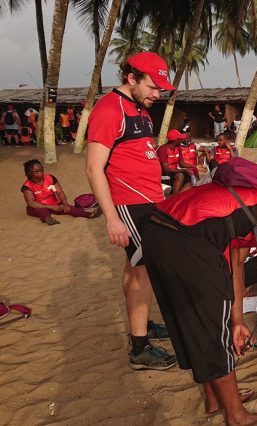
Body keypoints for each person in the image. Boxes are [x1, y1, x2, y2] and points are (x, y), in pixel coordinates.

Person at [142, 181, 257, 423]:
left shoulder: (251, 202)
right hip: (186, 241)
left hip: (156, 233)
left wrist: (238, 320)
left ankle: (214, 398)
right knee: (213, 329)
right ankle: (236, 415)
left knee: (191, 320)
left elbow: (237, 267)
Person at [85, 51, 177, 371]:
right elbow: (94, 168)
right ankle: (140, 348)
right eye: (153, 87)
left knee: (134, 267)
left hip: (149, 200)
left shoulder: (140, 108)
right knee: (144, 271)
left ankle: (143, 326)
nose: (157, 94)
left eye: (161, 89)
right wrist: (112, 218)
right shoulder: (109, 109)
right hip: (131, 204)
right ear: (132, 78)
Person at [21, 159, 100, 225]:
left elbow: (59, 192)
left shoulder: (50, 178)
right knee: (42, 211)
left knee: (68, 208)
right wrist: (50, 207)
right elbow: (31, 202)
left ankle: (89, 214)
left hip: (54, 204)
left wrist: (64, 203)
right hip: (38, 207)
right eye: (36, 172)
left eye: (41, 170)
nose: (40, 173)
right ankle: (48, 219)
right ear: (29, 173)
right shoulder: (27, 186)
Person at [158, 129, 193, 195]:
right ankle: (175, 199)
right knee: (180, 175)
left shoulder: (178, 148)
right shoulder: (163, 149)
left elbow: (181, 163)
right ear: (176, 140)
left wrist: (195, 166)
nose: (182, 140)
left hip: (174, 173)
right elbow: (165, 169)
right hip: (164, 175)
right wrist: (183, 170)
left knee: (192, 180)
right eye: (180, 139)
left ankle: (177, 197)